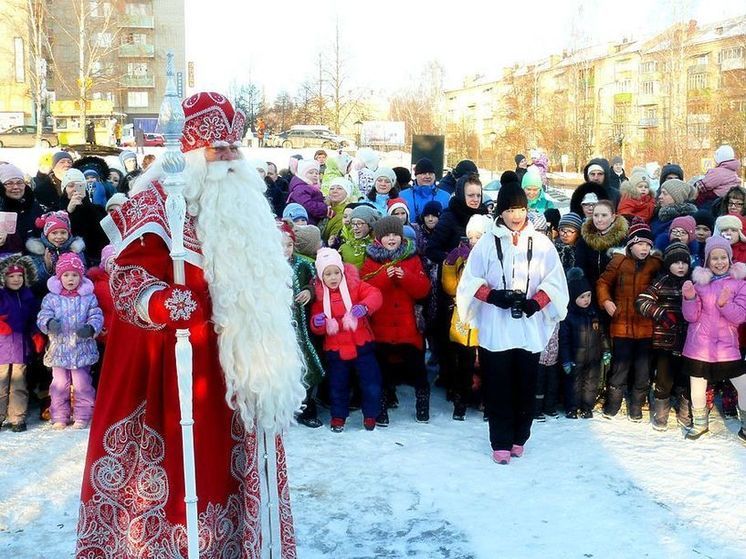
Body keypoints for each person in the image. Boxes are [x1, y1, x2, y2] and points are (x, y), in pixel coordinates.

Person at [75, 92, 306, 556]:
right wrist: (158, 301)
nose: (227, 156)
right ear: (190, 154)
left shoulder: (249, 208)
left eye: (232, 148)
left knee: (231, 464)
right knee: (182, 472)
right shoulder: (157, 204)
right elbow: (125, 277)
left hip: (239, 370)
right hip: (173, 368)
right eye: (216, 148)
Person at [456, 180, 568, 465]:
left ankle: (520, 436)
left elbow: (555, 281)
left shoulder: (542, 243)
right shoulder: (486, 243)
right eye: (509, 209)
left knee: (525, 387)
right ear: (500, 212)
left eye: (520, 208)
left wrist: (535, 302)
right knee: (498, 387)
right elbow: (469, 282)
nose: (516, 215)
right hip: (496, 329)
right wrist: (493, 296)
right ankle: (500, 440)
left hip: (529, 328)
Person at [361, 216, 431, 425]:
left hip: (408, 328)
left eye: (395, 235)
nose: (391, 239)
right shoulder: (372, 261)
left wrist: (405, 277)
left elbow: (423, 289)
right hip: (381, 329)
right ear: (378, 238)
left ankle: (422, 402)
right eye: (386, 235)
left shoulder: (413, 258)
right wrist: (384, 277)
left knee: (417, 369)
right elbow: (365, 287)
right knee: (382, 371)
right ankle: (382, 405)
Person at [310, 247, 383, 432]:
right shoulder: (320, 298)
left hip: (362, 345)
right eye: (328, 274)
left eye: (336, 272)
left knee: (370, 382)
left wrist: (365, 307)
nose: (333, 277)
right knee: (337, 386)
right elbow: (316, 326)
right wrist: (317, 322)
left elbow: (375, 295)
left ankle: (370, 415)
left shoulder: (355, 286)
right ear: (321, 277)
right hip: (336, 350)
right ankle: (338, 417)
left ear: (342, 271)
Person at [681, 236, 746, 443]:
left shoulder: (739, 284)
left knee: (744, 386)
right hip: (698, 345)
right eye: (714, 258)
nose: (719, 262)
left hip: (727, 347)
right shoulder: (700, 284)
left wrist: (724, 304)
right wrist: (690, 298)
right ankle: (700, 424)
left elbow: (740, 316)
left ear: (730, 258)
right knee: (697, 388)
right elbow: (691, 316)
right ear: (707, 261)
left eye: (723, 257)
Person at [596, 222, 662, 421]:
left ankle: (636, 406)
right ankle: (613, 404)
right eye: (640, 244)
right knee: (620, 367)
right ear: (631, 245)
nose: (644, 248)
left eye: (648, 245)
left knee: (643, 370)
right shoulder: (619, 261)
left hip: (645, 326)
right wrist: (606, 301)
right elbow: (603, 282)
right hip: (622, 324)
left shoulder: (654, 264)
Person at [37, 252, 102, 430]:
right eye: (66, 275)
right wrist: (49, 323)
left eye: (74, 275)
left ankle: (82, 415)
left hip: (82, 350)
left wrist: (90, 328)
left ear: (81, 277)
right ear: (59, 277)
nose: (70, 279)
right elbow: (43, 315)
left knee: (82, 384)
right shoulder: (51, 298)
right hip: (59, 349)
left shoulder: (88, 298)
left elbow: (96, 315)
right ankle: (59, 415)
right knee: (59, 385)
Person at [635, 242, 692, 430]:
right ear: (668, 264)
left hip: (689, 342)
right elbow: (642, 301)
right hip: (665, 341)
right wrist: (662, 315)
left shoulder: (693, 282)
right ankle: (661, 410)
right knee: (664, 378)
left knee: (685, 378)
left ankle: (685, 409)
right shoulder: (662, 281)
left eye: (684, 263)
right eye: (676, 263)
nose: (681, 267)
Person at [441, 214, 491, 420]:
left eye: (479, 237)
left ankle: (486, 401)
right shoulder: (461, 257)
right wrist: (449, 266)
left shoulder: (493, 258)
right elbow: (450, 287)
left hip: (487, 315)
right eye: (471, 237)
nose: (474, 241)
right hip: (463, 316)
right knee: (463, 362)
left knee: (488, 364)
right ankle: (460, 401)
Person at [279, 222, 325, 428]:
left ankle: (307, 406)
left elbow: (318, 282)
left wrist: (309, 290)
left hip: (302, 329)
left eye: (289, 245)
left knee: (306, 365)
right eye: (280, 245)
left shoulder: (303, 264)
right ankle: (282, 408)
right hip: (277, 329)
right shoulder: (264, 266)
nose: (285, 250)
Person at [560, 268, 609, 419]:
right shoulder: (568, 317)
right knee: (573, 385)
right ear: (573, 297)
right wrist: (566, 360)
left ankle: (587, 407)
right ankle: (572, 408)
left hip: (593, 358)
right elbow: (564, 341)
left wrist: (606, 350)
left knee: (591, 384)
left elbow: (601, 334)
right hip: (575, 359)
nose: (586, 300)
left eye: (588, 295)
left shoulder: (593, 314)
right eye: (582, 297)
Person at [0, 255, 42, 432]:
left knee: (19, 383)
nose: (16, 279)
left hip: (20, 347)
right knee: (1, 383)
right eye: (11, 276)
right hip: (2, 346)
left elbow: (34, 316)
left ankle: (17, 417)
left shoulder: (28, 296)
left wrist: (36, 333)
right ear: (3, 278)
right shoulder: (1, 296)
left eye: (20, 276)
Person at [574, 200, 629, 287]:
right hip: (589, 292)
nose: (599, 219)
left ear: (613, 217)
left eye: (604, 215)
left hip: (614, 293)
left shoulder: (623, 241)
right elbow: (580, 268)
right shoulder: (584, 240)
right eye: (596, 215)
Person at [26, 210, 86, 289]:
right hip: (46, 295)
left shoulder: (75, 249)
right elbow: (34, 281)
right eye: (54, 233)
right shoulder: (38, 251)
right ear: (46, 234)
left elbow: (84, 273)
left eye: (63, 232)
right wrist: (47, 268)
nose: (59, 236)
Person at [0, 163, 44, 255]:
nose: (16, 187)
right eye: (9, 183)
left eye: (19, 182)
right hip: (8, 263)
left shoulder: (33, 205)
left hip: (36, 261)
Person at [695, 145, 742, 210]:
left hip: (716, 202)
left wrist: (696, 183)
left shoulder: (717, 172)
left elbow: (703, 186)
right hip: (727, 201)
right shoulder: (733, 172)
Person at [287, 159, 329, 226]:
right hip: (304, 221)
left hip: (311, 219)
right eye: (311, 173)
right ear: (302, 174)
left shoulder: (311, 187)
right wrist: (325, 209)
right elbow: (307, 204)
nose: (315, 175)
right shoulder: (300, 188)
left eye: (316, 173)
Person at [339, 204, 380, 268]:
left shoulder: (378, 246)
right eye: (353, 223)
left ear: (370, 226)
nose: (355, 228)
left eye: (359, 223)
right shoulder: (344, 247)